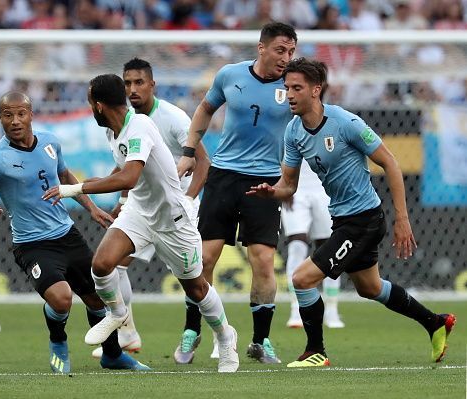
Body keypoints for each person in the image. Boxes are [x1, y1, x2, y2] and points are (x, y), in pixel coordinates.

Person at [247, 57, 456, 367]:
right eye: (286, 87)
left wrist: (402, 218)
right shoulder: (293, 132)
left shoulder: (346, 122)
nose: (289, 94)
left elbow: (391, 164)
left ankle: (315, 351)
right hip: (343, 218)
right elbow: (288, 186)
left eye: (296, 88)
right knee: (370, 287)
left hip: (365, 220)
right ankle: (435, 322)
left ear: (316, 90)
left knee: (302, 278)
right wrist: (271, 191)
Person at [42, 74, 239, 373]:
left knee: (196, 289)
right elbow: (122, 174)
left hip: (171, 219)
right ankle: (117, 314)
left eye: (89, 103)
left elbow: (129, 176)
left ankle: (225, 336)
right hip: (139, 211)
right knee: (102, 264)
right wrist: (108, 196)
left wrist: (76, 188)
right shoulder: (113, 132)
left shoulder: (140, 126)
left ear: (98, 105)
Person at [0, 91, 149, 373]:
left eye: (21, 113)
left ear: (31, 114)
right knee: (61, 298)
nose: (15, 121)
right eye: (8, 115)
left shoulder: (50, 143)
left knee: (98, 296)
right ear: (0, 118)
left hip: (67, 235)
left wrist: (92, 208)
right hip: (32, 245)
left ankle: (112, 355)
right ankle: (58, 341)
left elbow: (66, 177)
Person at [175, 21, 298, 364]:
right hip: (224, 177)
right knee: (206, 258)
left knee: (263, 260)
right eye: (280, 50)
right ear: (261, 48)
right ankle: (193, 330)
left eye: (291, 52)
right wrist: (189, 150)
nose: (286, 58)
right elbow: (205, 108)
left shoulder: (293, 85)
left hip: (266, 183)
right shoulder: (230, 74)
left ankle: (260, 341)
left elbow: (308, 122)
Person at [90, 57, 211, 359]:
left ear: (152, 85)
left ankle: (198, 332)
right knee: (113, 264)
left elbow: (203, 161)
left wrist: (190, 200)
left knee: (193, 282)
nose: (133, 89)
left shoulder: (173, 118)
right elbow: (129, 168)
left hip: (176, 209)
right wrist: (122, 201)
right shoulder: (119, 123)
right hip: (143, 208)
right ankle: (127, 331)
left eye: (139, 82)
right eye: (127, 83)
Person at [282, 159, 344, 329]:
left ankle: (331, 308)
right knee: (296, 246)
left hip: (325, 189)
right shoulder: (287, 130)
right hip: (296, 189)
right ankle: (296, 309)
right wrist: (284, 184)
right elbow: (278, 149)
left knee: (329, 249)